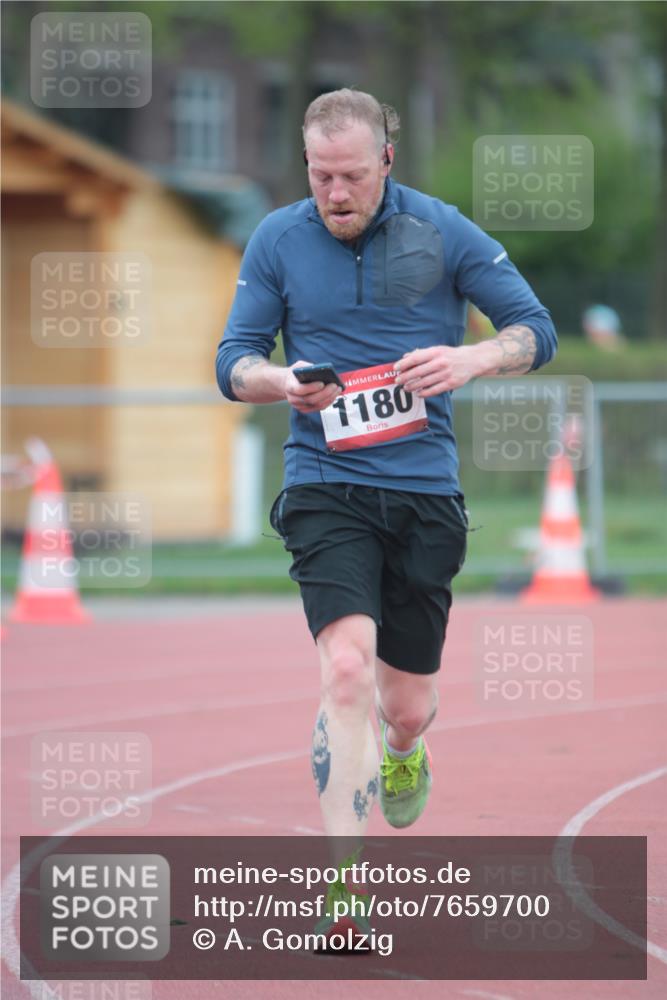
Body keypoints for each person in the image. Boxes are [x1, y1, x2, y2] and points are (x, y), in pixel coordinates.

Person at [216, 88, 556, 927]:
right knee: (344, 670)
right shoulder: (278, 237)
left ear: (386, 162)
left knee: (406, 707)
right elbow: (234, 360)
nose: (335, 193)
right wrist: (280, 382)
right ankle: (345, 891)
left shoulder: (442, 230)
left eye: (352, 176)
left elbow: (533, 329)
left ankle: (404, 751)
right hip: (324, 484)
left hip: (422, 493)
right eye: (320, 175)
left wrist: (472, 359)